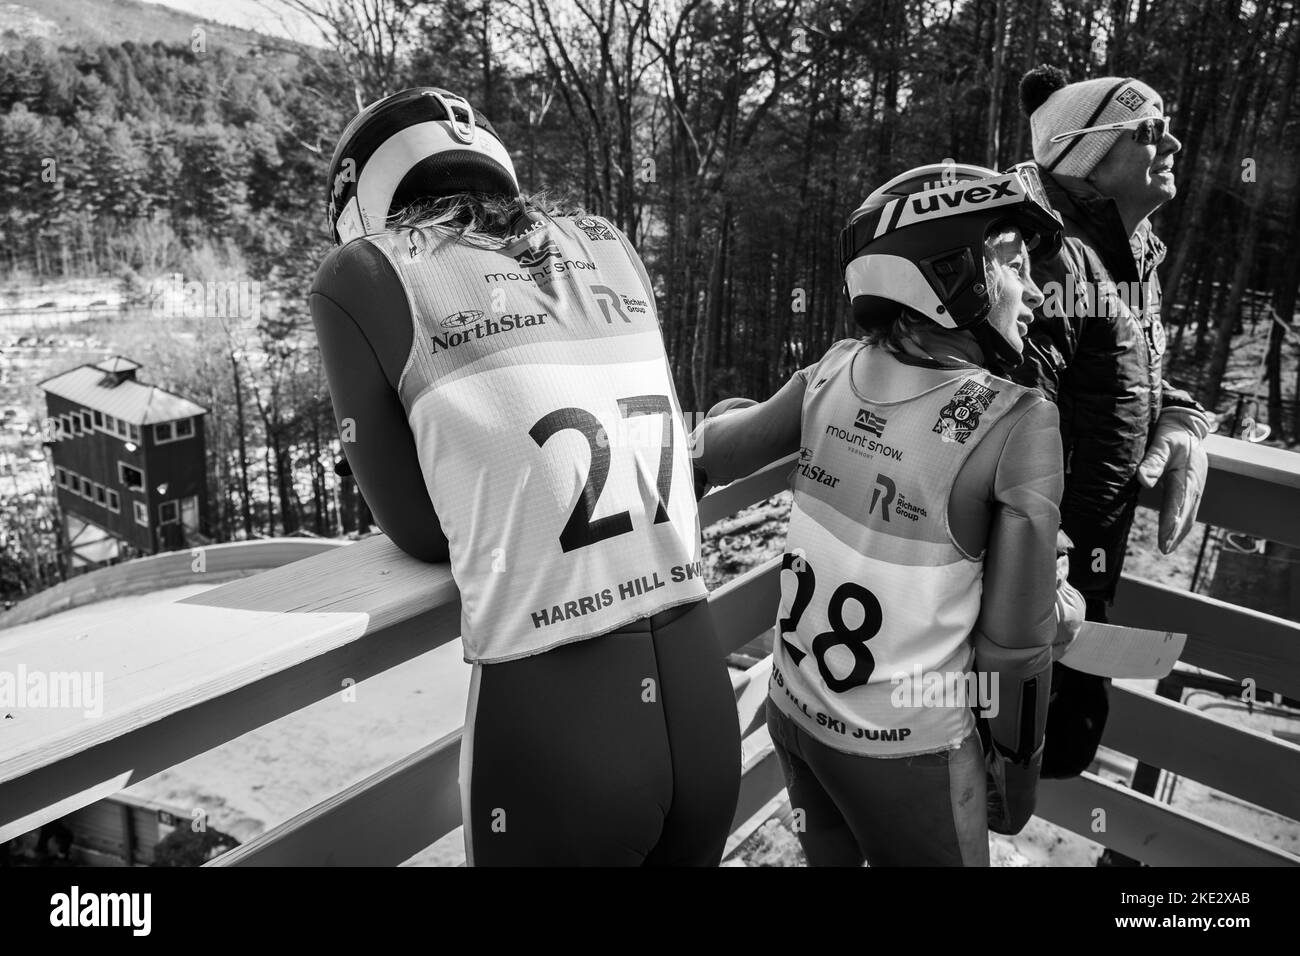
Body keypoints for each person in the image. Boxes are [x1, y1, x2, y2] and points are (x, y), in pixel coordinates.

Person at [311, 87, 740, 866]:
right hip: (699, 676)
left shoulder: (361, 273)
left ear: (359, 205)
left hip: (557, 707)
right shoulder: (603, 239)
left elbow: (419, 527)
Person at [693, 163, 1083, 865]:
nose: (1034, 294)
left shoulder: (832, 370)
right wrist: (1016, 783)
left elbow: (720, 450)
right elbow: (1016, 651)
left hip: (796, 712)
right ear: (953, 271)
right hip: (913, 751)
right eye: (1016, 269)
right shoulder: (1018, 420)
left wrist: (719, 415)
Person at [1015, 67, 1212, 783]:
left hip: (1080, 571)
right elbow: (1003, 427)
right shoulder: (1048, 261)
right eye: (1149, 130)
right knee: (1002, 762)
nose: (1175, 143)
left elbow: (1124, 373)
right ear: (1084, 152)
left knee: (1055, 752)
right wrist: (1035, 579)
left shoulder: (1127, 266)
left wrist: (1184, 416)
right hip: (1032, 586)